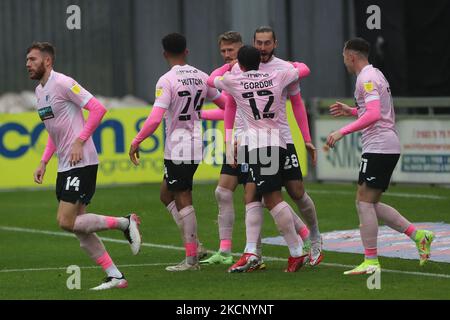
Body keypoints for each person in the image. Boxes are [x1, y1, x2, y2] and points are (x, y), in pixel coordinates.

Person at [27, 42, 142, 290]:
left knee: (65, 221)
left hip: (82, 161)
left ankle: (125, 222)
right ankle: (115, 276)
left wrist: (80, 141)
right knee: (80, 228)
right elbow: (53, 130)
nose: (28, 64)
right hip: (65, 165)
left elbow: (98, 109)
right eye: (27, 59)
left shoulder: (64, 83)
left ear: (47, 61)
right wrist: (44, 161)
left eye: (33, 59)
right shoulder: (39, 92)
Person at [326, 38, 435, 274]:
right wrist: (352, 111)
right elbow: (375, 110)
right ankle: (419, 236)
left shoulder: (366, 78)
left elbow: (375, 114)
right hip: (382, 146)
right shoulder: (376, 74)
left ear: (351, 56)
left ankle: (371, 261)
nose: (343, 60)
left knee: (363, 202)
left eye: (344, 56)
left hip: (380, 146)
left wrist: (342, 131)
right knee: (369, 203)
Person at [129, 33, 227, 271]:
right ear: (187, 51)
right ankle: (196, 246)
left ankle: (192, 258)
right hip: (194, 142)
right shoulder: (202, 76)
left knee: (183, 197)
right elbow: (225, 104)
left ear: (164, 54)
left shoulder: (166, 80)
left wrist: (137, 140)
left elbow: (154, 119)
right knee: (166, 194)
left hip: (179, 147)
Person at [209, 45, 310, 272]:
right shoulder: (277, 75)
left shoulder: (235, 81)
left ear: (241, 65)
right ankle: (255, 251)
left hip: (259, 146)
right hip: (279, 140)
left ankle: (296, 252)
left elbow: (211, 80)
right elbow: (304, 69)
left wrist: (228, 66)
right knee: (259, 195)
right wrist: (293, 64)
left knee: (273, 199)